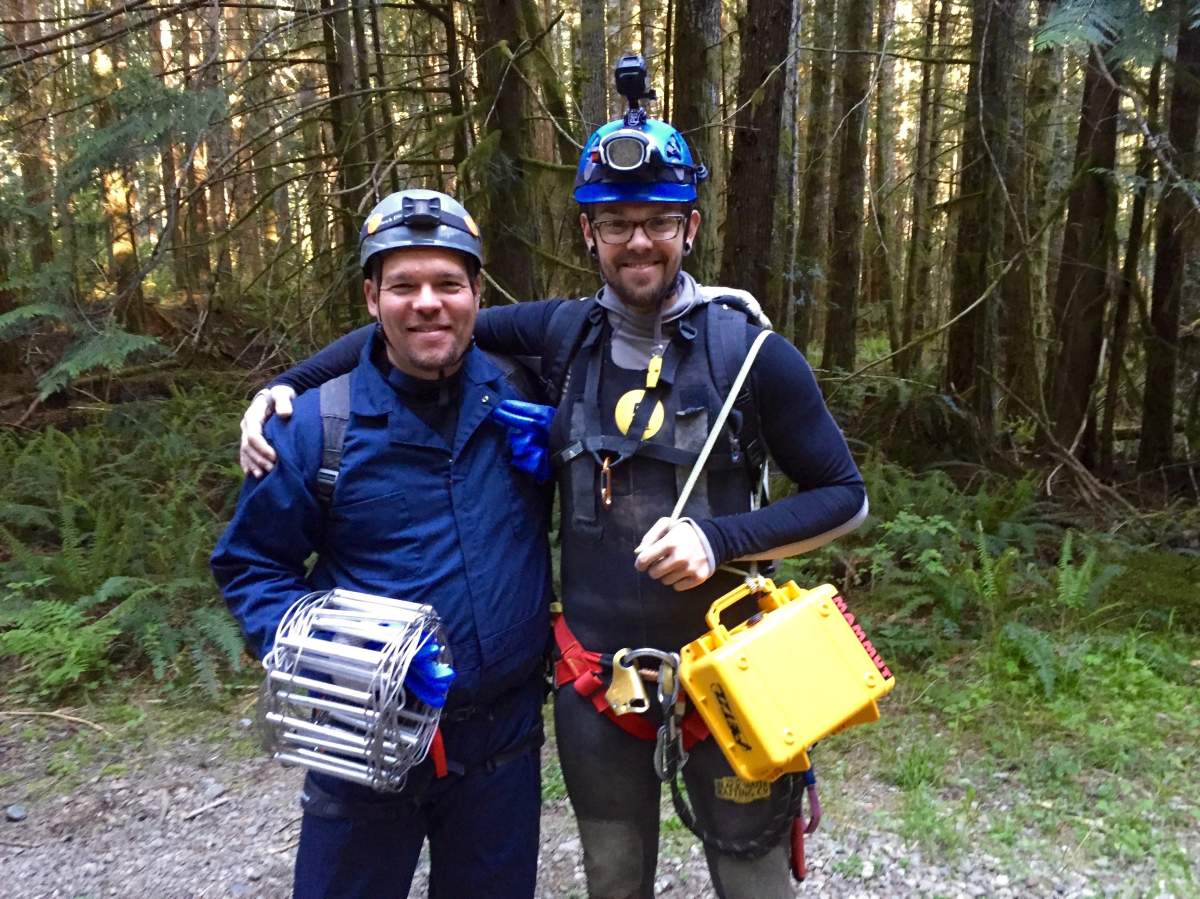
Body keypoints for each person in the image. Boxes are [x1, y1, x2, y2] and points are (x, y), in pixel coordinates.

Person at [241, 60, 867, 899]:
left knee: (754, 876)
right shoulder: (559, 334)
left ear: (690, 226)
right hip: (595, 683)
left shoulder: (751, 352)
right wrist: (285, 384)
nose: (637, 241)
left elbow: (844, 495)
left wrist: (719, 537)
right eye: (615, 223)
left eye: (656, 221)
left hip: (737, 673)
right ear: (587, 234)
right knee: (612, 879)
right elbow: (420, 324)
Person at [211, 188, 554, 899]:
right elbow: (252, 566)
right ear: (372, 297)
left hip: (500, 748)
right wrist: (343, 661)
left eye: (447, 283)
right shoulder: (314, 426)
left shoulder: (525, 399)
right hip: (363, 745)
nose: (427, 301)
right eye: (404, 284)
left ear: (476, 293)